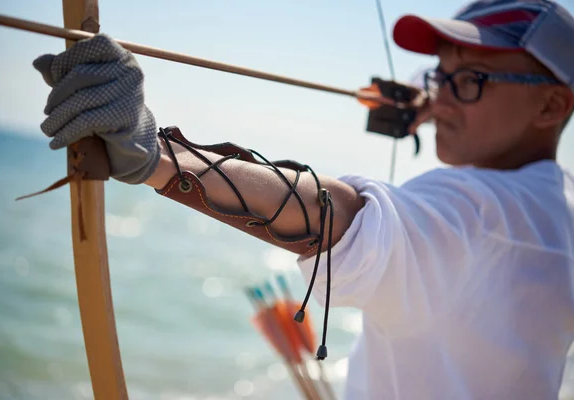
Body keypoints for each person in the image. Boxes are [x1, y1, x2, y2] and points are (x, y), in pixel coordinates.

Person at [32, 0, 574, 398]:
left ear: (552, 105)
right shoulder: (556, 208)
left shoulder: (478, 212)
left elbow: (337, 214)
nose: (440, 97)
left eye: (471, 80)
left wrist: (158, 157)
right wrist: (444, 103)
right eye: (439, 76)